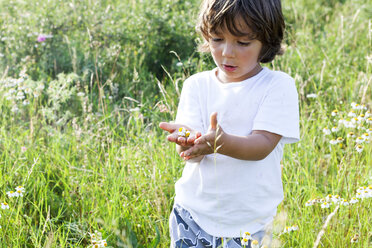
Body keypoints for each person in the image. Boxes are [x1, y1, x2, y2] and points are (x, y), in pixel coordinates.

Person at [159, 0, 300, 247]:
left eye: (242, 42)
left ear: (266, 41)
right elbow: (190, 155)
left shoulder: (277, 85)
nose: (227, 52)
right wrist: (187, 143)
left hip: (250, 224)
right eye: (216, 39)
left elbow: (263, 144)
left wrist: (220, 143)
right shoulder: (196, 85)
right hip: (191, 215)